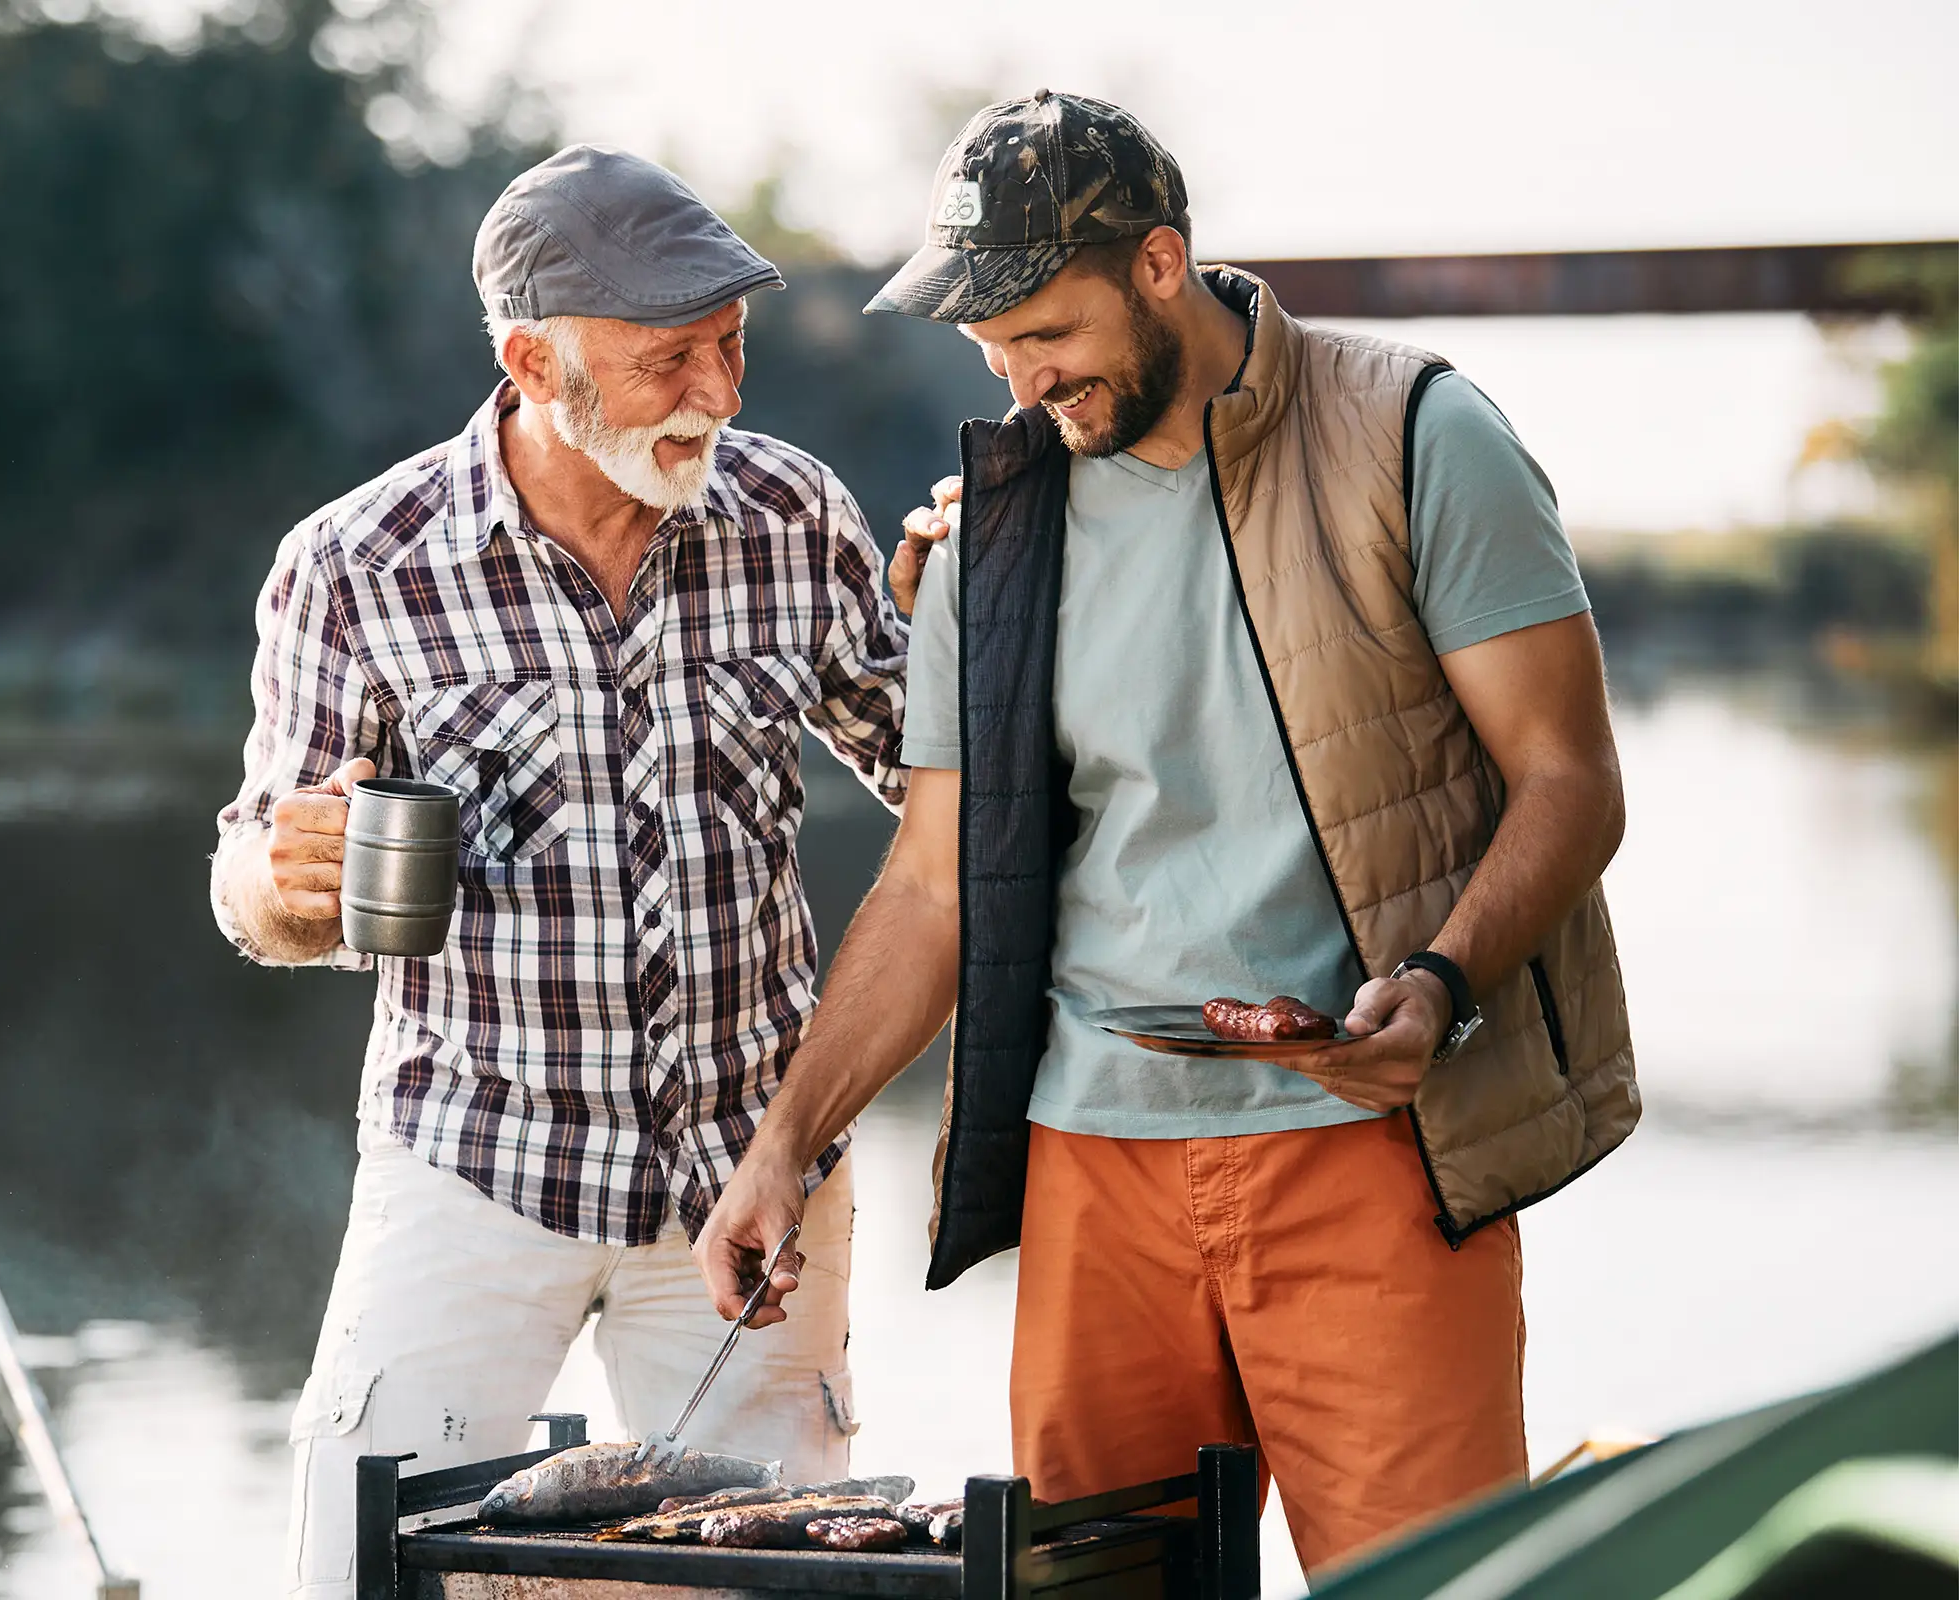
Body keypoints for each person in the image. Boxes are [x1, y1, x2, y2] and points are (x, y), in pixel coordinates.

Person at [696, 92, 1639, 1575]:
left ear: (1158, 265)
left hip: (1372, 1151)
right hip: (1093, 1176)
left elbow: (1572, 783)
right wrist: (784, 1147)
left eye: (1047, 334)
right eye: (991, 348)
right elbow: (935, 889)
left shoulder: (1416, 435)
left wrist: (1444, 988)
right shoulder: (987, 537)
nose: (1021, 379)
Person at [210, 144, 909, 1598]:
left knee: (793, 1579)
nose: (719, 395)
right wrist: (289, 880)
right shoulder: (356, 566)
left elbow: (943, 784)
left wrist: (991, 605)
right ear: (533, 360)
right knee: (361, 1561)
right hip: (473, 1155)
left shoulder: (796, 514)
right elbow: (257, 884)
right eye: (671, 361)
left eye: (731, 347)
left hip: (755, 1169)